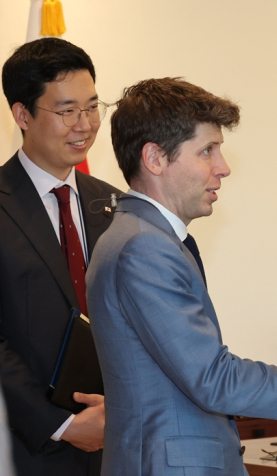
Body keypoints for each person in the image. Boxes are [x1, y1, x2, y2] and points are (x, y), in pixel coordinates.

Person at [86, 77, 277, 476]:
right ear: (155, 158)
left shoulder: (140, 236)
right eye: (207, 151)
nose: (223, 168)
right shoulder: (145, 247)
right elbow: (213, 379)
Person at [0, 38, 121, 475]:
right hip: (26, 449)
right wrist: (62, 424)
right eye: (67, 110)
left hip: (118, 443)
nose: (85, 125)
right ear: (22, 114)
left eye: (92, 107)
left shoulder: (115, 205)